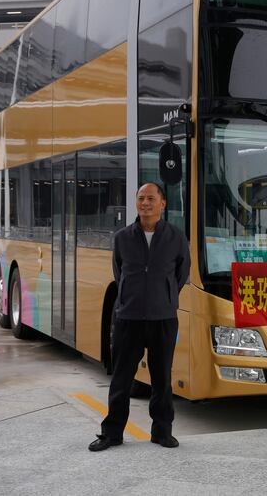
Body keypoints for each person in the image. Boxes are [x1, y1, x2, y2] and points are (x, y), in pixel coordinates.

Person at [89, 183, 190, 452]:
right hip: (128, 319)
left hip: (163, 319)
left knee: (161, 379)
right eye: (141, 198)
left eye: (151, 198)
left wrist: (165, 297)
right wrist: (130, 297)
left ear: (163, 203)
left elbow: (181, 273)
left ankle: (162, 432)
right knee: (121, 379)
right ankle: (111, 434)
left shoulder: (176, 237)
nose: (145, 203)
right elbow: (119, 272)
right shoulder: (123, 237)